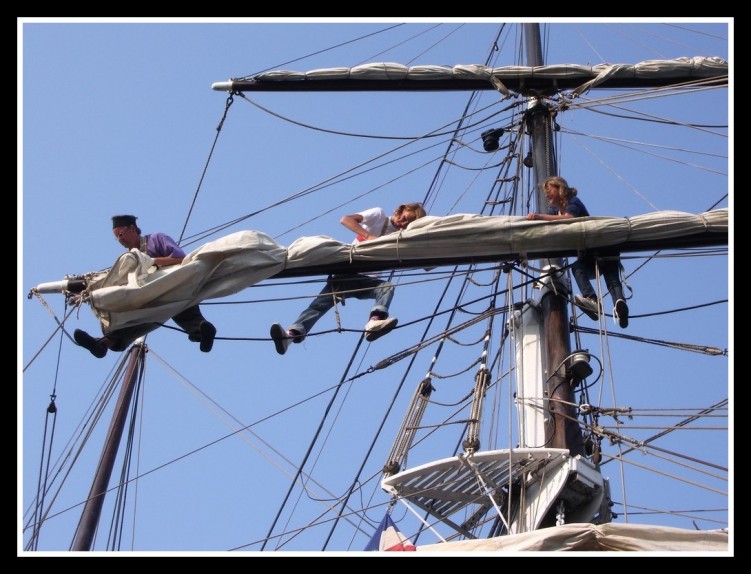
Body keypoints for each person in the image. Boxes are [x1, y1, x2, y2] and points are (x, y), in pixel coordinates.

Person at [270, 203, 427, 355]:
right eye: (406, 217)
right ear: (401, 210)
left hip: (365, 280)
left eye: (409, 222)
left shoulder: (400, 237)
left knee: (386, 287)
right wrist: (369, 236)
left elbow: (427, 265)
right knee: (318, 307)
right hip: (347, 271)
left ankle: (375, 322)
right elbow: (345, 219)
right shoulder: (379, 215)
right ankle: (290, 336)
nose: (404, 222)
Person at [73, 215, 217, 358]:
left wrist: (151, 261)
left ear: (132, 228)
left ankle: (202, 332)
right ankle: (103, 344)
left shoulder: (156, 239)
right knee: (130, 320)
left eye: (121, 234)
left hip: (172, 284)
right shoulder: (129, 259)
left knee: (182, 307)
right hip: (148, 297)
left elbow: (180, 259)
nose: (120, 240)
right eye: (116, 238)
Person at [527, 176, 630, 328]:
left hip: (604, 246)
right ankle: (592, 301)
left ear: (559, 188)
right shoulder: (555, 211)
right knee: (577, 268)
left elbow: (569, 219)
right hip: (588, 254)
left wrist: (538, 216)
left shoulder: (573, 202)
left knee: (612, 277)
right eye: (545, 192)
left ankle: (619, 305)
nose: (547, 194)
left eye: (549, 190)